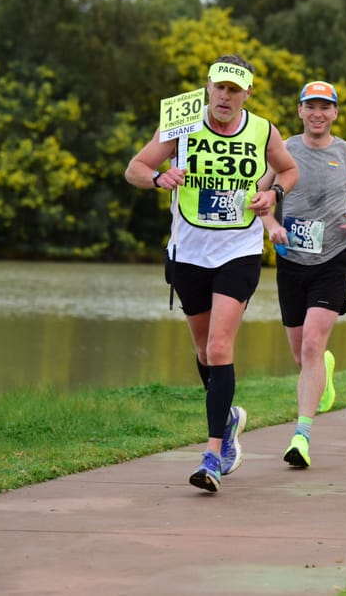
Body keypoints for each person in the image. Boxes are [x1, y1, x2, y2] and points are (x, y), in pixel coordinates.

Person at [125, 54, 298, 493]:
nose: (225, 96)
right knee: (204, 351)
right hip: (188, 252)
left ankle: (213, 454)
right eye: (219, 87)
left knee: (221, 345)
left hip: (238, 249)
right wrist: (160, 178)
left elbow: (289, 168)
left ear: (247, 93)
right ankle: (229, 417)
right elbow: (135, 169)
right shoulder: (180, 121)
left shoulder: (263, 130)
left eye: (234, 89)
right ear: (208, 87)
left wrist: (273, 193)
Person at [259, 80, 346, 469]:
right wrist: (270, 225)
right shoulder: (283, 151)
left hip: (334, 258)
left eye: (325, 107)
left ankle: (301, 436)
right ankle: (323, 366)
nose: (317, 113)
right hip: (291, 261)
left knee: (311, 344)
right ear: (299, 111)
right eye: (311, 106)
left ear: (335, 113)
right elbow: (260, 199)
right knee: (301, 353)